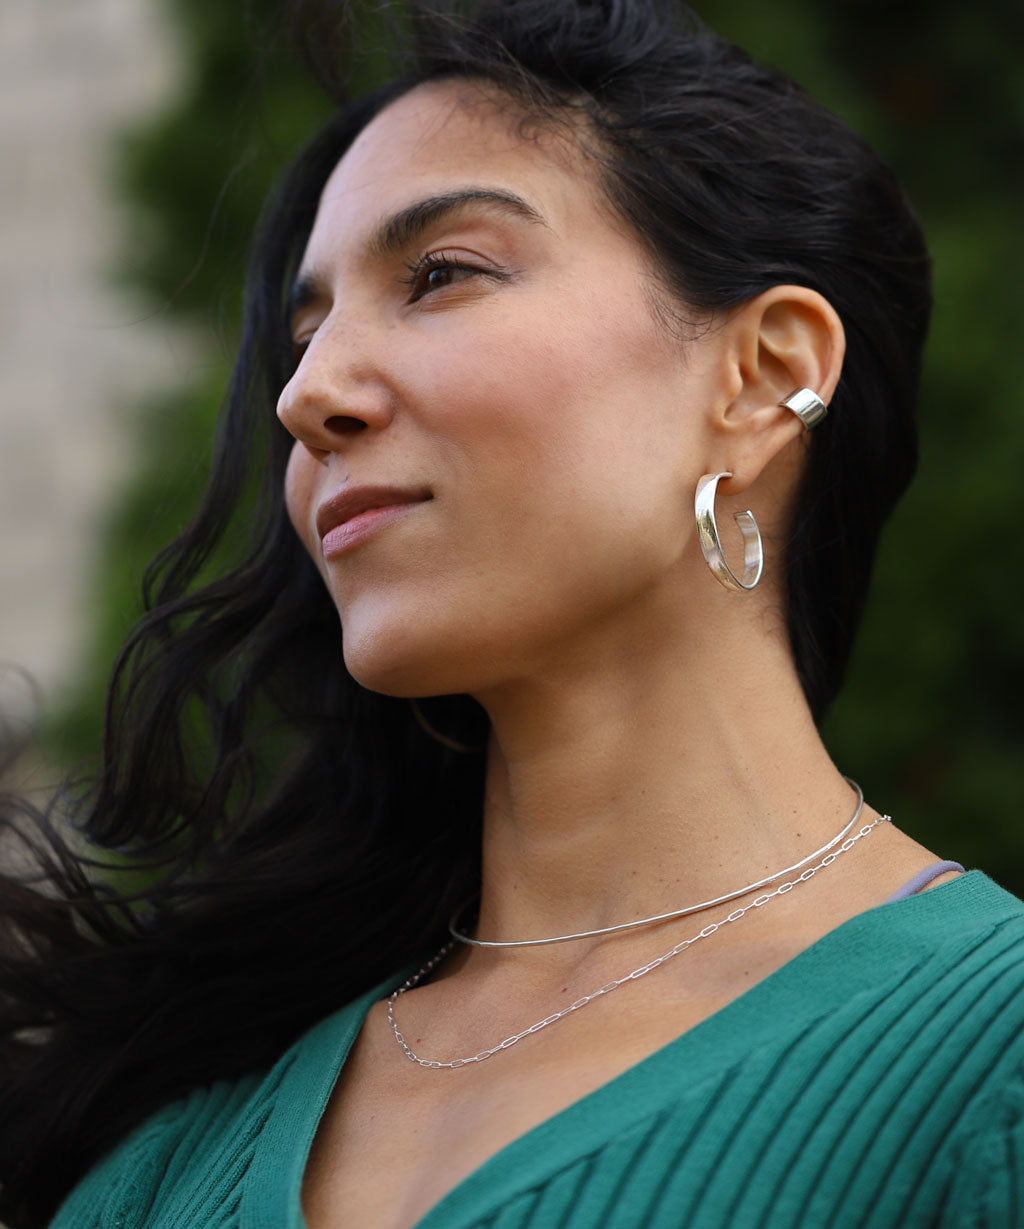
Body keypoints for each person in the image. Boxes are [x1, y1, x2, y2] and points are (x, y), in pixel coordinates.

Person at [2, 1, 1023, 1226]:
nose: (307, 394)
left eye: (440, 274)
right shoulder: (169, 1142)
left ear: (763, 378)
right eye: (303, 333)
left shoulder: (982, 1058)